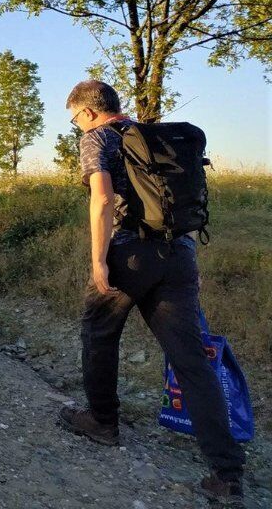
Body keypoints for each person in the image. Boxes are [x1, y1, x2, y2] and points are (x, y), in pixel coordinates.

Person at [57, 80, 245, 505]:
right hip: (179, 254)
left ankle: (103, 423)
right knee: (191, 362)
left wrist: (99, 259)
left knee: (100, 336)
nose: (75, 126)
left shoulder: (97, 138)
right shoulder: (152, 138)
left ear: (88, 112)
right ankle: (227, 473)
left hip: (128, 254)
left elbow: (102, 200)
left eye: (73, 119)